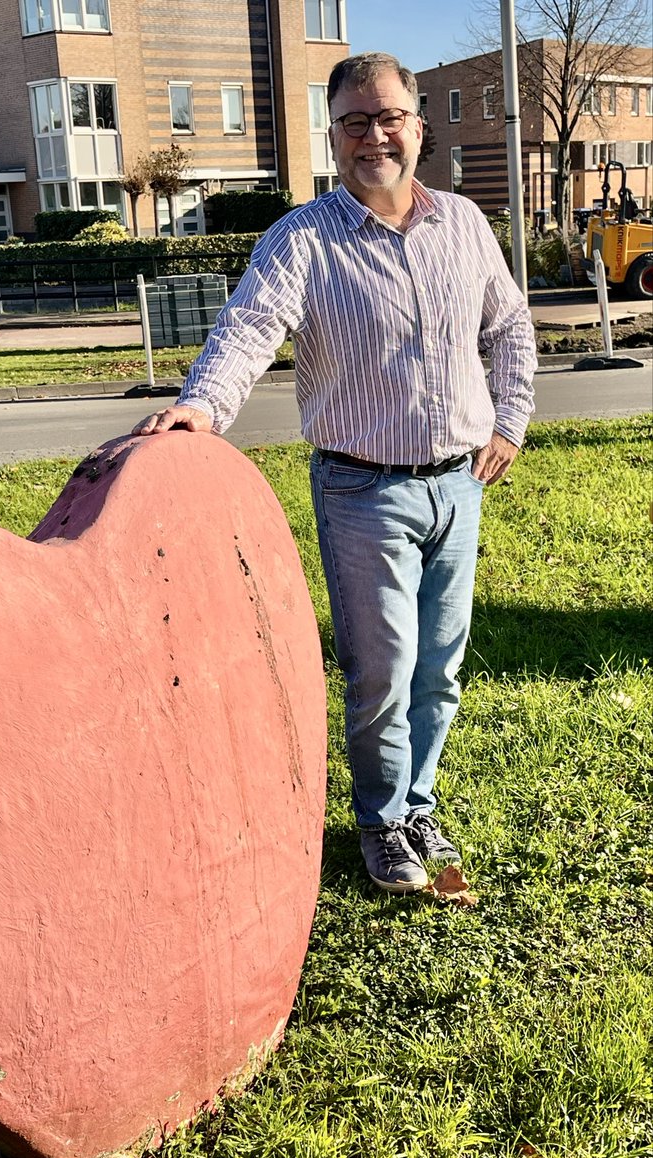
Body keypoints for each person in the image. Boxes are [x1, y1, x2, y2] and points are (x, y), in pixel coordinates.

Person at [133, 52, 537, 894]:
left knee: (438, 667)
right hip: (361, 490)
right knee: (382, 669)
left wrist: (509, 422)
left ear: (417, 126)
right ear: (333, 136)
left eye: (388, 117)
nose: (374, 136)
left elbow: (510, 328)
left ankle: (418, 803)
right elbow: (246, 332)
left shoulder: (463, 225)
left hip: (458, 486)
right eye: (354, 122)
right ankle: (382, 821)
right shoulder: (302, 239)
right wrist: (200, 410)